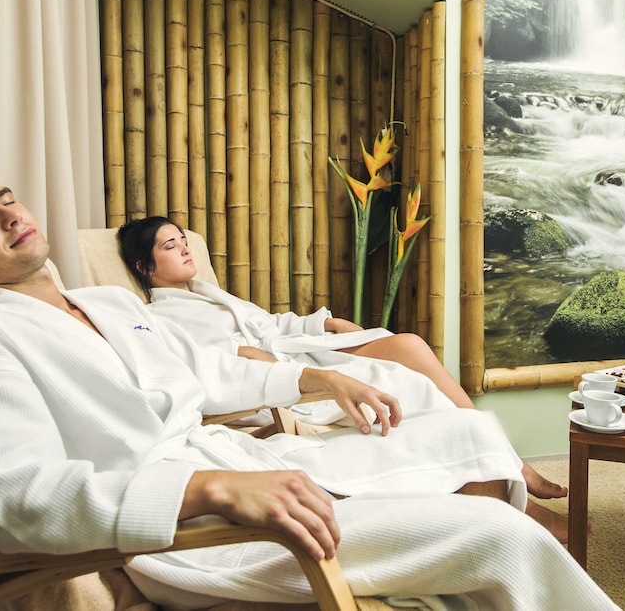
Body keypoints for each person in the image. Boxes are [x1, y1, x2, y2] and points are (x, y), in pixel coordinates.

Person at [0, 155, 618, 610]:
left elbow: (206, 373)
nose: (13, 215)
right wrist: (208, 489)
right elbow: (16, 498)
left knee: (469, 434)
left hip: (245, 461)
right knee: (501, 536)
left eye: (6, 198)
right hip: (192, 529)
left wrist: (318, 379)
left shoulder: (103, 303)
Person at [116, 216, 570, 534]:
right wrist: (267, 360)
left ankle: (506, 460)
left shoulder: (207, 293)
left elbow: (271, 324)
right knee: (407, 380)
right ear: (145, 267)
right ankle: (509, 475)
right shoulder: (162, 317)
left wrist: (325, 323)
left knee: (409, 345)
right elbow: (218, 365)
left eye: (183, 240)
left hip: (298, 351)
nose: (184, 248)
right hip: (284, 381)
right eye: (169, 246)